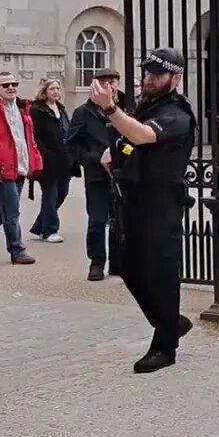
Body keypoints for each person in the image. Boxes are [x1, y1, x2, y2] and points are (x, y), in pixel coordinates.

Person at [93, 48, 196, 373]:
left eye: (156, 75)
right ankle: (169, 321)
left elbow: (142, 135)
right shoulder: (146, 106)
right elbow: (127, 139)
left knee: (161, 273)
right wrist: (112, 155)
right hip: (134, 198)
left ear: (175, 79)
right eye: (146, 73)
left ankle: (165, 346)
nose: (148, 79)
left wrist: (109, 108)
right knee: (126, 265)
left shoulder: (177, 114)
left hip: (162, 201)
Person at [0, 71, 43, 265]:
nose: (11, 87)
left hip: (19, 166)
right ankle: (17, 250)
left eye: (13, 83)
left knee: (5, 209)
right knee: (11, 209)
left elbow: (27, 140)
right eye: (5, 85)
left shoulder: (22, 108)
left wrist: (34, 162)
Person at [67, 67, 125, 280]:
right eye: (105, 82)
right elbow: (72, 145)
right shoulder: (83, 112)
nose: (110, 85)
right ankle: (97, 262)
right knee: (98, 220)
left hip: (122, 173)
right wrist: (93, 158)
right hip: (97, 174)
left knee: (120, 220)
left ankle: (118, 262)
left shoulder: (126, 107)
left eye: (113, 81)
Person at [28, 78, 75, 244]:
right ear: (44, 92)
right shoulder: (37, 110)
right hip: (47, 160)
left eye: (57, 88)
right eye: (52, 89)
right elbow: (35, 136)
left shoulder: (61, 109)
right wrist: (44, 154)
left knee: (62, 193)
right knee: (51, 194)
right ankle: (50, 230)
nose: (56, 91)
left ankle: (40, 225)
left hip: (64, 159)